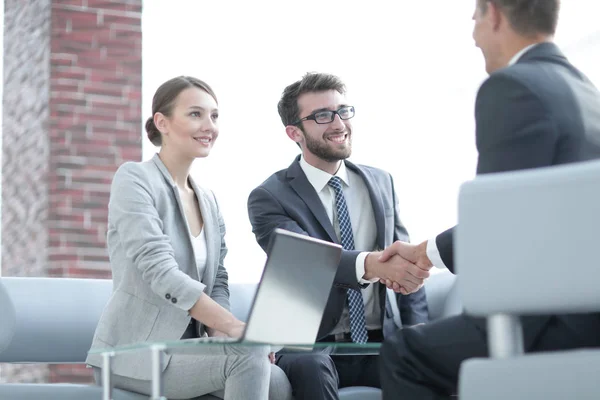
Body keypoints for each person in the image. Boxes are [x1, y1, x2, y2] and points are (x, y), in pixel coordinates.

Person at [379, 1, 600, 398]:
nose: (474, 35)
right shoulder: (585, 90)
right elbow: (529, 213)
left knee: (404, 352)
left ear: (495, 14)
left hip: (546, 320)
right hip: (588, 312)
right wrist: (425, 253)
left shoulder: (514, 87)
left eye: (475, 18)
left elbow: (499, 227)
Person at [85, 76, 292, 400]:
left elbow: (218, 280)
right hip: (135, 354)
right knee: (248, 356)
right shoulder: (134, 180)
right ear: (162, 122)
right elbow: (161, 273)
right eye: (196, 114)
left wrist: (221, 332)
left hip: (192, 349)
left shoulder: (208, 200)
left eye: (214, 115)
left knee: (277, 379)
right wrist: (237, 328)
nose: (208, 125)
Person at [247, 72, 429, 400]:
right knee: (311, 367)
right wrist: (372, 265)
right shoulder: (269, 197)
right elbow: (309, 260)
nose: (338, 123)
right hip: (313, 344)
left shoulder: (381, 182)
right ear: (294, 133)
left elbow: (405, 266)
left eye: (343, 111)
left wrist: (418, 334)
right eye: (322, 116)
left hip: (379, 341)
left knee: (420, 362)